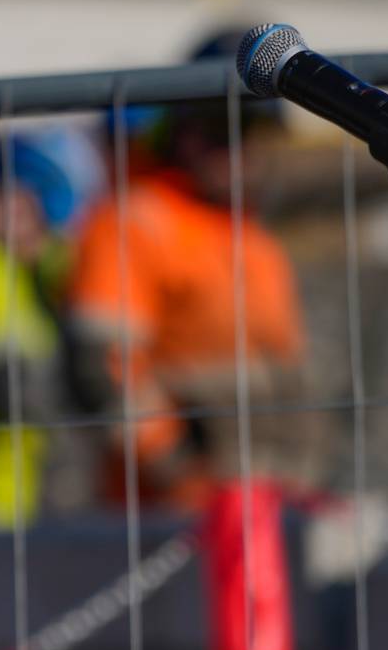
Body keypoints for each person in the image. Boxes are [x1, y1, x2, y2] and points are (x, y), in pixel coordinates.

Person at [62, 41, 310, 512]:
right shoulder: (134, 221)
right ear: (180, 131)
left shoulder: (254, 240)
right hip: (170, 517)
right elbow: (101, 371)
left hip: (267, 505)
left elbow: (287, 374)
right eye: (219, 130)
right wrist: (180, 474)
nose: (238, 150)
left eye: (252, 130)